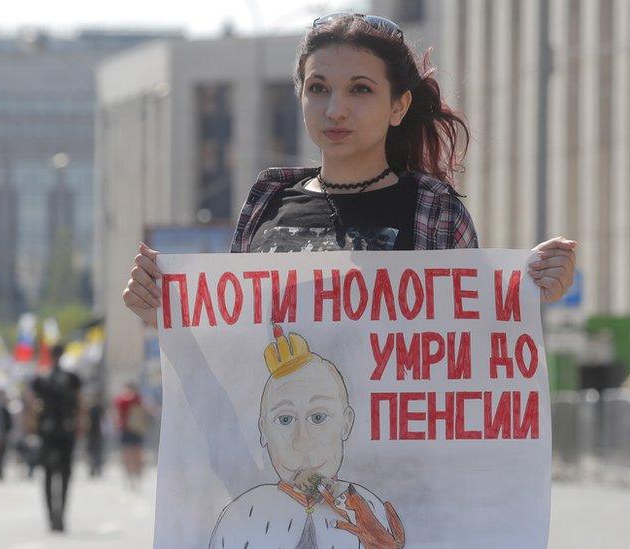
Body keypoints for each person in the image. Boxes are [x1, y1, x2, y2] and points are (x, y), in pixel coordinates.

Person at [122, 12, 577, 328]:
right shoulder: (267, 203)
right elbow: (237, 344)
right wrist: (166, 312)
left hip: (397, 461)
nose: (335, 109)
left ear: (398, 106)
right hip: (282, 463)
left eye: (360, 89)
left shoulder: (433, 211)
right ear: (301, 97)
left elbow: (468, 344)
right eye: (318, 88)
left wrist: (527, 289)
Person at [210, 323, 403, 548]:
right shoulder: (242, 516)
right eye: (285, 419)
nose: (302, 440)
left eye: (318, 417)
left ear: (346, 423)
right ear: (263, 430)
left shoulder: (368, 510)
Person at [28, 344, 83, 532]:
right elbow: (79, 405)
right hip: (60, 432)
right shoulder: (68, 378)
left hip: (50, 432)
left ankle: (55, 516)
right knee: (61, 476)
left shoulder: (44, 378)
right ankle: (57, 516)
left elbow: (32, 406)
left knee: (52, 476)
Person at [112, 382, 147, 489]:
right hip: (135, 429)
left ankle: (130, 477)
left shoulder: (121, 399)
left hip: (127, 429)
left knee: (128, 454)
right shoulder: (138, 398)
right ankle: (135, 476)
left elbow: (116, 414)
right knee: (136, 453)